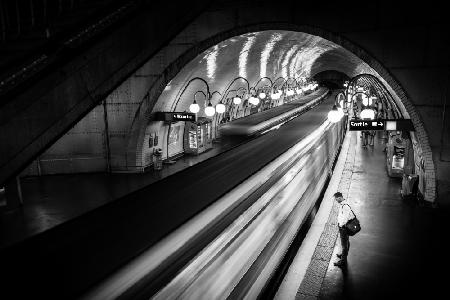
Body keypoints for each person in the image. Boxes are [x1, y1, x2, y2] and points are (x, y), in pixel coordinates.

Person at [333, 192, 355, 267]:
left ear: (339, 198)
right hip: (345, 227)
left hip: (344, 228)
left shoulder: (344, 206)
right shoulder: (344, 204)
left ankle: (343, 261)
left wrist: (341, 225)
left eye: (336, 199)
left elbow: (345, 218)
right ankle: (343, 255)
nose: (336, 201)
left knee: (344, 245)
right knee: (346, 242)